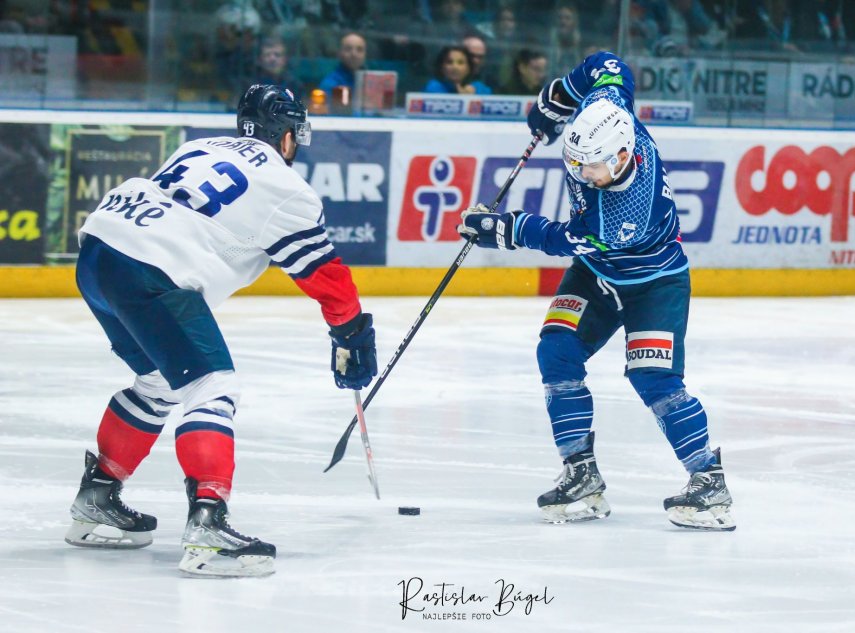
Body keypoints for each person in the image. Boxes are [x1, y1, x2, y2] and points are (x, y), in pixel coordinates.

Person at [64, 85, 379, 576]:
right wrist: (352, 333)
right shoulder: (287, 187)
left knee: (159, 382)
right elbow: (323, 274)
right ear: (288, 136)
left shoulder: (200, 146)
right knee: (213, 387)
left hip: (99, 254)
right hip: (151, 270)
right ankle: (208, 525)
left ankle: (97, 497)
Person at [457, 51, 735, 531]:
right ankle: (581, 474)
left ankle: (709, 480)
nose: (581, 173)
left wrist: (502, 229)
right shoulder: (608, 112)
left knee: (654, 380)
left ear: (622, 156)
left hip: (654, 286)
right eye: (575, 162)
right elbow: (608, 65)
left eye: (591, 167)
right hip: (595, 275)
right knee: (556, 352)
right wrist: (559, 97)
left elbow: (562, 238)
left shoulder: (625, 212)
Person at [423, 45, 491, 94]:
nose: (455, 67)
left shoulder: (480, 89)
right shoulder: (433, 87)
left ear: (469, 68)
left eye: (460, 63)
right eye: (449, 62)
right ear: (442, 67)